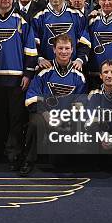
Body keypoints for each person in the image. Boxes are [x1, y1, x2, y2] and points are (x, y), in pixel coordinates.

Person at [0, 0, 37, 170]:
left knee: (16, 117)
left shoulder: (21, 19)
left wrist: (28, 73)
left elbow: (30, 49)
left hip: (17, 79)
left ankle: (14, 152)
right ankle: (0, 148)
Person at [20, 34, 87, 176]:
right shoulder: (43, 71)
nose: (64, 51)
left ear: (72, 50)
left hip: (65, 117)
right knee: (35, 123)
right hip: (45, 115)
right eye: (60, 48)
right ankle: (29, 160)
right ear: (54, 50)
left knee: (59, 163)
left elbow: (80, 103)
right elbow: (31, 97)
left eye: (67, 48)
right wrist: (46, 114)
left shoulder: (79, 76)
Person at [31, 0, 90, 72]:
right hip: (47, 69)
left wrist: (80, 60)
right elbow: (33, 43)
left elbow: (85, 41)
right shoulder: (38, 17)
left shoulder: (77, 15)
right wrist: (40, 58)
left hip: (73, 69)